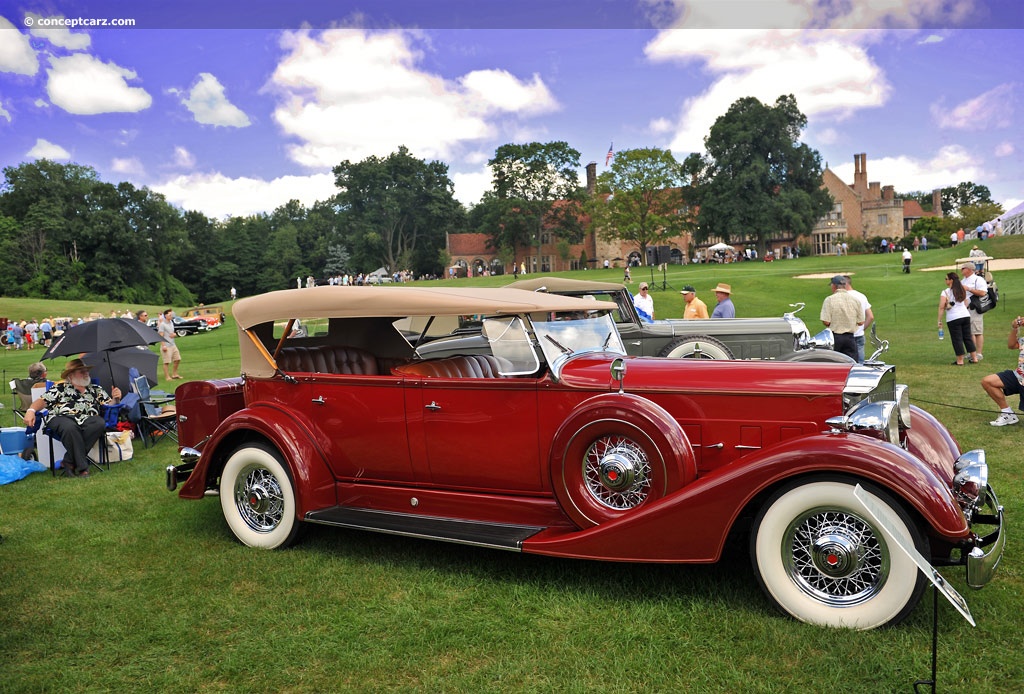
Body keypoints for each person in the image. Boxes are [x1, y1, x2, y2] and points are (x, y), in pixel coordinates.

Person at [22, 358, 121, 477]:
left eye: (86, 371)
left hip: (87, 419)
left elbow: (109, 405)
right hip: (61, 418)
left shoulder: (95, 389)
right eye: (82, 371)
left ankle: (68, 461)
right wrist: (31, 410)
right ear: (71, 375)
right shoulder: (60, 388)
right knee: (70, 427)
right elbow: (42, 401)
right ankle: (83, 468)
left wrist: (116, 398)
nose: (86, 373)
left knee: (99, 423)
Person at [981, 315, 1024, 426]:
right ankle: (1007, 413)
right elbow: (1011, 345)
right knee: (988, 381)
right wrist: (1015, 328)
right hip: (1019, 376)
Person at [938, 272, 979, 366]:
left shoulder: (945, 292)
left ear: (951, 280)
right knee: (967, 337)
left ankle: (960, 360)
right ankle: (974, 357)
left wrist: (939, 320)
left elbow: (941, 307)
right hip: (965, 315)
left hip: (953, 317)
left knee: (957, 339)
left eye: (946, 279)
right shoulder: (962, 289)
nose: (945, 280)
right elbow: (965, 302)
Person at [820, 275, 864, 361]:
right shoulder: (855, 300)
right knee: (852, 364)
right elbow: (861, 322)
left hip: (835, 338)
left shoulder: (829, 300)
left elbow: (826, 321)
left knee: (835, 364)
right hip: (850, 338)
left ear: (834, 286)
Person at [961, 263, 988, 360]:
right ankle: (972, 352)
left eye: (963, 268)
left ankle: (979, 353)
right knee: (969, 332)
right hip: (965, 309)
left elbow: (983, 292)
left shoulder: (978, 279)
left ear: (969, 269)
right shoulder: (963, 280)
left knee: (977, 331)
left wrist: (969, 289)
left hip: (975, 308)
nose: (961, 270)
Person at [844, 275, 874, 363]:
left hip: (845, 335)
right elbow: (870, 316)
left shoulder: (842, 297)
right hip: (859, 335)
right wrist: (861, 328)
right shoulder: (861, 296)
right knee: (860, 363)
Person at [157, 309, 183, 380]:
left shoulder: (171, 322)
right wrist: (163, 346)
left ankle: (175, 374)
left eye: (172, 314)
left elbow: (171, 333)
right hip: (166, 346)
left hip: (173, 344)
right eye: (170, 315)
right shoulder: (162, 324)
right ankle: (167, 377)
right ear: (165, 315)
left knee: (177, 359)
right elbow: (160, 336)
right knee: (166, 362)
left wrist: (174, 334)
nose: (171, 316)